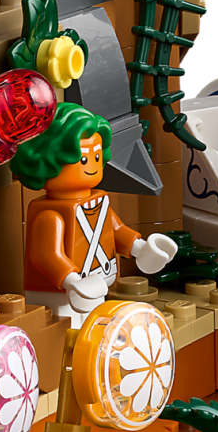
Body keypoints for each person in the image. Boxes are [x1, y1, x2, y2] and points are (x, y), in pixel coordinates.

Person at [13, 103, 177, 326]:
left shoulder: (97, 202)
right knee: (67, 332)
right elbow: (46, 256)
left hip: (94, 288)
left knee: (95, 331)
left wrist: (140, 249)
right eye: (83, 159)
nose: (92, 165)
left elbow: (115, 230)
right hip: (59, 295)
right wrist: (72, 280)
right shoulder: (50, 214)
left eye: (97, 157)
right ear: (47, 162)